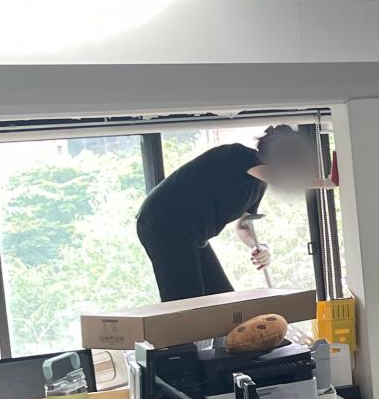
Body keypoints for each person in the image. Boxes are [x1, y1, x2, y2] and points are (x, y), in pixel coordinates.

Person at [135, 127, 323, 301]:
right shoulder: (236, 154)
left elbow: (243, 225)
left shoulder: (258, 184)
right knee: (188, 302)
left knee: (222, 298)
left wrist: (259, 247)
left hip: (192, 234)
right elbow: (281, 180)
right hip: (162, 223)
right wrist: (328, 183)